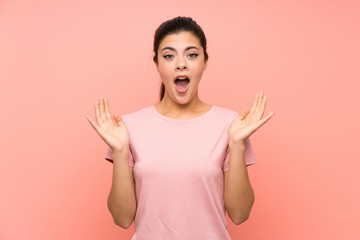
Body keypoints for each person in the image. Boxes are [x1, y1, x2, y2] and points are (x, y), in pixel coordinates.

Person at [86, 16, 274, 240]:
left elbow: (240, 214)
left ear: (205, 61)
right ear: (157, 64)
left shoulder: (231, 126)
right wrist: (120, 151)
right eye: (169, 56)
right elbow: (122, 218)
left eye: (192, 54)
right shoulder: (128, 128)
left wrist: (236, 144)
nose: (181, 63)